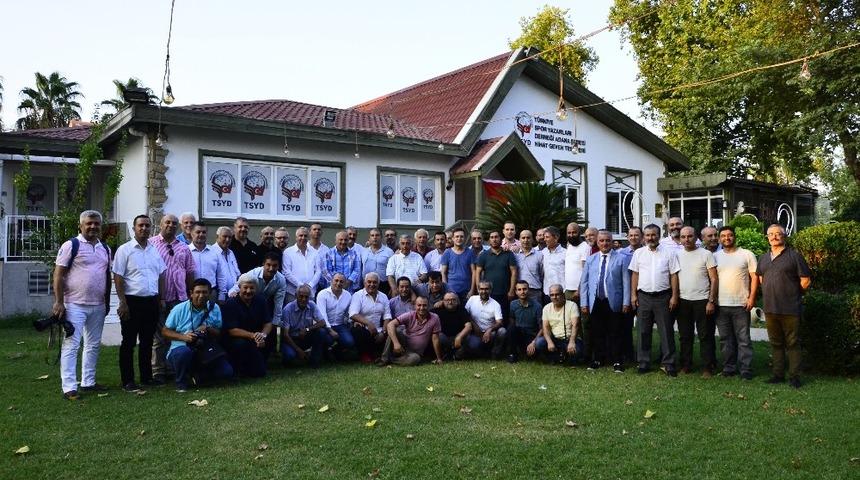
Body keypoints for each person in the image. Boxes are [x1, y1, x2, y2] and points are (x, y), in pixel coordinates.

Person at [53, 210, 112, 400]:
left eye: (96, 223)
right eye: (89, 223)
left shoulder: (105, 248)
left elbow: (106, 276)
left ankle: (88, 382)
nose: (93, 226)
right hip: (74, 304)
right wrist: (59, 302)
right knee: (72, 344)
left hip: (98, 305)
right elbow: (58, 275)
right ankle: (69, 387)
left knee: (93, 345)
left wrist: (107, 302)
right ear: (80, 226)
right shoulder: (71, 245)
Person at [113, 214, 166, 392]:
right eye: (141, 225)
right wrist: (122, 302)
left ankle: (146, 377)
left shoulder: (154, 250)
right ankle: (128, 380)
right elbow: (118, 277)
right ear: (134, 228)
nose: (144, 228)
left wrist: (160, 298)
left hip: (151, 301)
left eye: (147, 226)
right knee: (128, 342)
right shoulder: (125, 250)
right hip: (131, 302)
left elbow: (161, 274)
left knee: (147, 341)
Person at [757, 224, 812, 388]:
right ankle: (778, 375)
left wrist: (792, 293)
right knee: (776, 343)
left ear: (784, 236)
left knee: (792, 343)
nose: (774, 237)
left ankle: (794, 377)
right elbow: (761, 279)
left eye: (777, 234)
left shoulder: (794, 256)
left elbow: (805, 281)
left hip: (790, 308)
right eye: (770, 234)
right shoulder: (763, 258)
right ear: (767, 237)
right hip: (770, 308)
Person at [162, 279, 234, 392]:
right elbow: (165, 331)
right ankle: (181, 382)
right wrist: (184, 337)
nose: (201, 295)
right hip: (182, 347)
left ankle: (199, 377)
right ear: (191, 293)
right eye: (198, 292)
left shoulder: (214, 308)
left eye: (205, 292)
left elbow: (219, 332)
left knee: (227, 372)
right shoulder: (179, 309)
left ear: (210, 294)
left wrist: (208, 329)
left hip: (205, 348)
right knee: (184, 353)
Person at [629, 224, 680, 376]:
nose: (650, 238)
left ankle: (669, 363)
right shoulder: (638, 253)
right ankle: (643, 362)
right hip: (643, 297)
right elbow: (635, 274)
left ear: (659, 235)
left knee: (666, 331)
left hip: (663, 297)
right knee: (643, 331)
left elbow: (673, 275)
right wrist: (633, 295)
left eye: (653, 235)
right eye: (648, 235)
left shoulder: (669, 252)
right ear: (644, 237)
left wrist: (674, 296)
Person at [150, 214, 196, 384]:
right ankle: (158, 371)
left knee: (177, 335)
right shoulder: (151, 244)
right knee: (159, 338)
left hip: (180, 298)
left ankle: (172, 368)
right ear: (161, 224)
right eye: (167, 222)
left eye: (174, 223)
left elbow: (190, 272)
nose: (171, 225)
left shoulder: (183, 247)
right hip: (160, 297)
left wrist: (190, 294)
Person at [580, 230, 632, 372]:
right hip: (595, 301)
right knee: (597, 332)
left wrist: (626, 302)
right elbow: (584, 282)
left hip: (613, 301)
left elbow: (626, 282)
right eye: (602, 241)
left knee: (615, 332)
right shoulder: (591, 259)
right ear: (597, 242)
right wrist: (584, 303)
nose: (605, 243)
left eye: (608, 240)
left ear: (612, 242)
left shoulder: (621, 259)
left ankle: (617, 361)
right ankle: (598, 359)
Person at [714, 226, 759, 380]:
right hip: (721, 304)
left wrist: (752, 298)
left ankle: (746, 369)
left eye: (730, 235)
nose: (727, 238)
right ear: (719, 239)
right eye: (723, 236)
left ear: (735, 237)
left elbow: (754, 278)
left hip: (741, 304)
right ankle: (729, 368)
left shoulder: (747, 254)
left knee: (743, 339)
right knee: (725, 339)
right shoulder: (715, 256)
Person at [675, 226, 718, 376]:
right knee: (685, 336)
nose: (686, 239)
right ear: (680, 239)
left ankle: (708, 366)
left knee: (705, 335)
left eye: (690, 236)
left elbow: (714, 279)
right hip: (683, 301)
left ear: (696, 237)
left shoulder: (706, 254)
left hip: (702, 300)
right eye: (683, 237)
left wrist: (711, 301)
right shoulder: (677, 255)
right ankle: (686, 365)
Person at [221, 278, 272, 378]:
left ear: (256, 289)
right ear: (239, 288)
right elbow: (232, 330)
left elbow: (268, 322)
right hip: (237, 340)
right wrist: (253, 336)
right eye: (245, 288)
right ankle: (237, 368)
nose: (248, 291)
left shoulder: (261, 300)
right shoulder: (231, 303)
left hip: (256, 338)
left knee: (260, 373)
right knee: (240, 344)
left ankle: (262, 361)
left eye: (252, 288)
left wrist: (262, 335)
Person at [229, 252, 287, 330]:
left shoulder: (281, 280)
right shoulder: (253, 274)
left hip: (265, 304)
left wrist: (275, 323)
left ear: (278, 266)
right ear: (263, 264)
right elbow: (236, 287)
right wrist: (233, 293)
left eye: (274, 266)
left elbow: (279, 303)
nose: (271, 269)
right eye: (268, 265)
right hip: (248, 304)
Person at [380, 296, 443, 366]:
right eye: (419, 305)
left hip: (414, 353)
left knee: (415, 359)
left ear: (428, 306)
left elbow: (435, 339)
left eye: (424, 305)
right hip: (403, 345)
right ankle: (384, 359)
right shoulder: (410, 315)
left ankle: (391, 360)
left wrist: (439, 358)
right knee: (396, 330)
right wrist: (396, 343)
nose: (422, 308)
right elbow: (390, 324)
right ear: (415, 306)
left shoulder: (435, 318)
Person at [280, 284, 333, 367]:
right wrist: (298, 350)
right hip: (291, 339)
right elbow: (285, 335)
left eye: (306, 297)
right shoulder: (288, 309)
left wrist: (307, 329)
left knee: (322, 332)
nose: (304, 299)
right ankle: (293, 356)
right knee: (289, 356)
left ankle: (314, 360)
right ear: (296, 296)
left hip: (305, 337)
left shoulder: (312, 305)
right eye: (301, 296)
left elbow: (322, 322)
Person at [474, 231, 518, 320]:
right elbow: (477, 273)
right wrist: (479, 289)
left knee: (504, 317)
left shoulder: (509, 254)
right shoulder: (483, 255)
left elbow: (514, 272)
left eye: (496, 237)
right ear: (489, 240)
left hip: (505, 293)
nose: (494, 239)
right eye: (492, 237)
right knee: (489, 317)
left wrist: (511, 290)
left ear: (501, 239)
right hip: (488, 293)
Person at [349, 273, 392, 362]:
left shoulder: (383, 296)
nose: (372, 284)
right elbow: (353, 314)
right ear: (364, 283)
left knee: (390, 333)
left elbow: (387, 316)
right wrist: (369, 324)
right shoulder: (358, 295)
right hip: (363, 328)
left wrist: (383, 332)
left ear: (378, 284)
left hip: (379, 329)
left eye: (374, 282)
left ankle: (378, 354)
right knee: (359, 332)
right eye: (369, 282)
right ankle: (365, 354)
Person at [535, 284, 580, 364]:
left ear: (563, 294)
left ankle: (564, 357)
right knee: (539, 343)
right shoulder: (546, 308)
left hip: (569, 339)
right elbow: (545, 327)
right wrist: (549, 342)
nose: (554, 297)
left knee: (578, 350)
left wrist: (572, 342)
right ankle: (555, 357)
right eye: (552, 295)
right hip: (555, 339)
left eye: (557, 294)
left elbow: (575, 325)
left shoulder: (572, 305)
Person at [463, 281, 507, 359]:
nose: (484, 291)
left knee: (502, 331)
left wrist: (489, 330)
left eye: (486, 289)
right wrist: (474, 325)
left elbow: (499, 322)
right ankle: (483, 353)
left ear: (490, 290)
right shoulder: (472, 299)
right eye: (481, 289)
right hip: (474, 332)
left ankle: (495, 351)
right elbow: (465, 314)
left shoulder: (496, 304)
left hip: (490, 334)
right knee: (474, 346)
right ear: (478, 290)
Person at [619, 226, 643, 362]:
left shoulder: (647, 252)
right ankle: (628, 354)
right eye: (631, 235)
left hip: (643, 294)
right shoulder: (621, 254)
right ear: (627, 237)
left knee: (643, 327)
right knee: (625, 326)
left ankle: (642, 355)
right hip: (627, 295)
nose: (634, 238)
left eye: (636, 235)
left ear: (642, 237)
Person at [316, 273, 355, 358]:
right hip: (324, 325)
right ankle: (324, 352)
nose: (338, 283)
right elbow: (322, 315)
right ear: (331, 281)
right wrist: (330, 330)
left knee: (349, 342)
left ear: (344, 283)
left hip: (340, 325)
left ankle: (335, 351)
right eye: (336, 280)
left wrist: (352, 322)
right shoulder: (322, 294)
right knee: (328, 339)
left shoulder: (348, 295)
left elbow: (348, 314)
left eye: (341, 281)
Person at [282, 226, 321, 304]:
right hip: (292, 293)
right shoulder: (288, 252)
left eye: (305, 236)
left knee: (309, 312)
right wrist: (301, 285)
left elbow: (318, 271)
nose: (303, 238)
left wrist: (310, 286)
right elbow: (286, 272)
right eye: (300, 235)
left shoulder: (314, 252)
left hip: (310, 292)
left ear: (308, 237)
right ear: (296, 237)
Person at [507, 281, 543, 363]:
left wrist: (533, 342)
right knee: (511, 328)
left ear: (528, 290)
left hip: (531, 336)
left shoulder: (537, 306)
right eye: (519, 290)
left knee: (531, 357)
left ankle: (528, 351)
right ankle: (512, 354)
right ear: (516, 292)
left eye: (524, 289)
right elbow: (512, 321)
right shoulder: (513, 304)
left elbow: (542, 328)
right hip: (519, 335)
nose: (522, 292)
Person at [188, 222, 223, 303]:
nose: (201, 234)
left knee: (211, 311)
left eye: (204, 232)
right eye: (198, 232)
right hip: (192, 293)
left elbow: (221, 274)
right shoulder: (185, 251)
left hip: (211, 292)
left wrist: (222, 294)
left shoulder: (215, 252)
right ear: (192, 233)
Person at [440, 227, 476, 303]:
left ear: (464, 238)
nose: (459, 239)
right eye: (457, 236)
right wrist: (446, 290)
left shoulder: (470, 252)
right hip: (451, 290)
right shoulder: (447, 253)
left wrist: (472, 290)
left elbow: (474, 272)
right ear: (453, 238)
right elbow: (443, 273)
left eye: (461, 236)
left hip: (466, 291)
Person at [432, 292, 472, 359]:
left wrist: (459, 337)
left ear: (457, 301)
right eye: (447, 300)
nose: (450, 302)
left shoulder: (461, 309)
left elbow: (468, 326)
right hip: (444, 338)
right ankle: (445, 354)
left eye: (453, 300)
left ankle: (454, 355)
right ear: (443, 301)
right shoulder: (437, 310)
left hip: (457, 338)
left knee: (468, 338)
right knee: (437, 336)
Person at [360, 228, 394, 295]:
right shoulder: (363, 251)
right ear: (369, 238)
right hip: (366, 284)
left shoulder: (389, 252)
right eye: (372, 235)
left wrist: (392, 287)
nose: (375, 237)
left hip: (383, 285)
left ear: (381, 237)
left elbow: (393, 271)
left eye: (377, 235)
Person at [515, 230, 543, 306]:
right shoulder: (515, 256)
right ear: (519, 239)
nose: (525, 240)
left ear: (532, 239)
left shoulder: (540, 255)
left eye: (528, 238)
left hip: (535, 292)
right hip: (519, 292)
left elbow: (542, 274)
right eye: (523, 238)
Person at [564, 223, 591, 303]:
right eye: (569, 233)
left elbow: (585, 271)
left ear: (579, 233)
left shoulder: (585, 247)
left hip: (579, 291)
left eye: (574, 232)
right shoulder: (569, 246)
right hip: (568, 289)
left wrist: (579, 289)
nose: (571, 235)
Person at [214, 226, 241, 302]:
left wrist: (235, 289)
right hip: (219, 296)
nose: (227, 239)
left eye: (230, 237)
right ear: (217, 237)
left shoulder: (231, 252)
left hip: (233, 294)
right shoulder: (212, 252)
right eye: (225, 236)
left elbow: (237, 273)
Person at [541, 226, 565, 304]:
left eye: (547, 237)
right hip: (547, 293)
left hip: (562, 292)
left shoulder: (565, 253)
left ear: (556, 238)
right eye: (544, 237)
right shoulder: (542, 253)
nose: (545, 239)